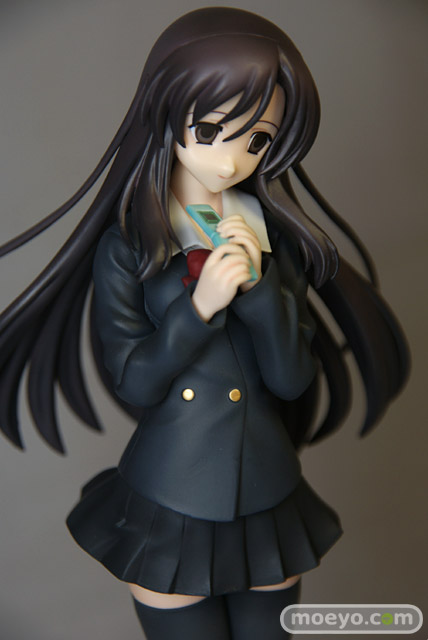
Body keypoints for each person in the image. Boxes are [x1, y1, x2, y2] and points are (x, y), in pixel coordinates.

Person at [0, 8, 409, 639]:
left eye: (258, 140)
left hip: (267, 490)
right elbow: (135, 382)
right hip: (173, 490)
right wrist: (198, 309)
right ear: (166, 110)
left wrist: (260, 293)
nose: (230, 160)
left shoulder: (276, 240)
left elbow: (292, 379)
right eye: (213, 129)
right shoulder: (130, 247)